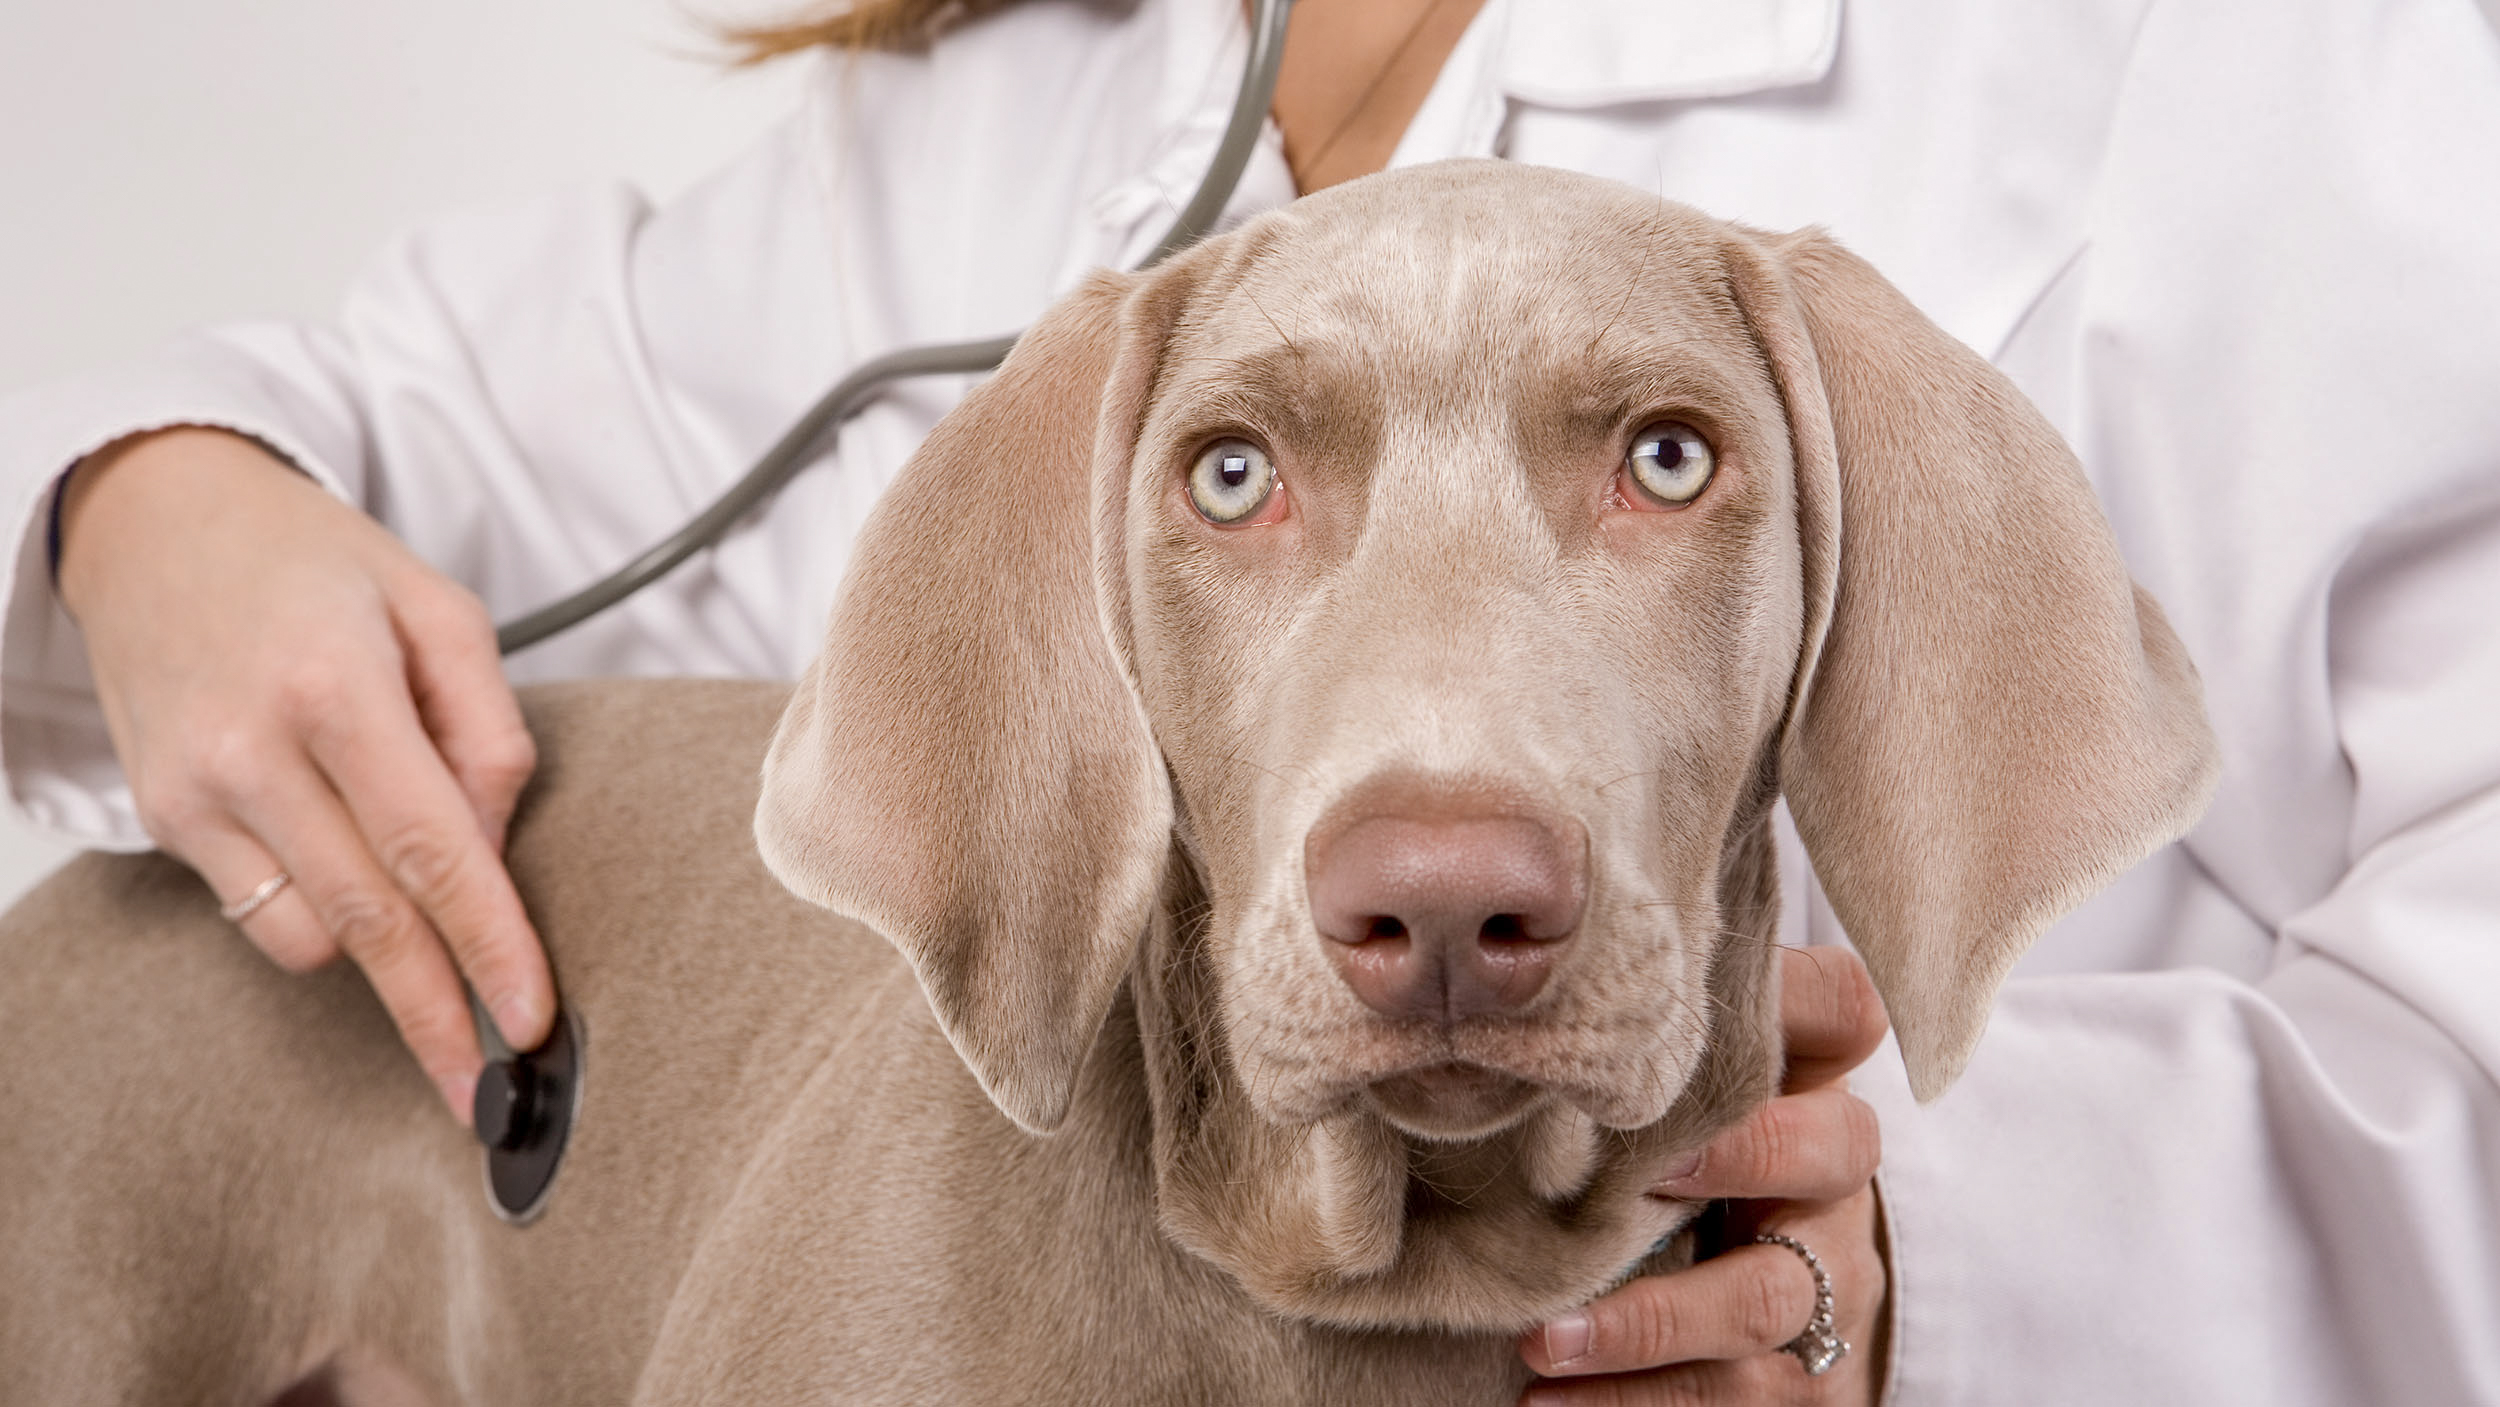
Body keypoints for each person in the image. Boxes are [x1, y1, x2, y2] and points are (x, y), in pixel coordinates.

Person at [4, 0, 2497, 1401]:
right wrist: (151, 495)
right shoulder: (1014, 111)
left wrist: (1944, 1257)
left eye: (1656, 460)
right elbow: (401, 430)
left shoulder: (2236, 63)